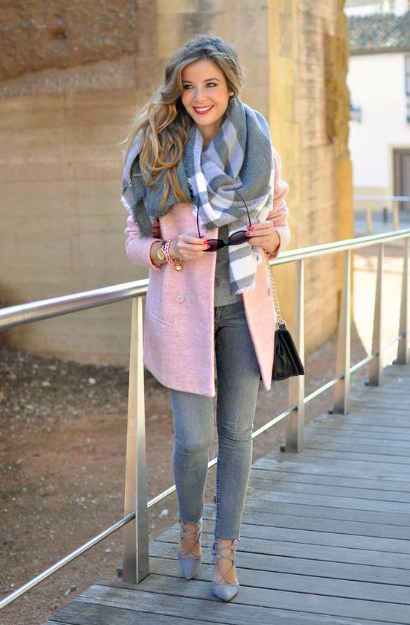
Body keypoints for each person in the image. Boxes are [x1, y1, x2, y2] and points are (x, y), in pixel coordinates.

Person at [121, 34, 290, 602]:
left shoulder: (258, 141)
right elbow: (133, 237)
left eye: (211, 84)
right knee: (193, 441)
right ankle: (189, 529)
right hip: (181, 313)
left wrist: (274, 239)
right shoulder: (157, 147)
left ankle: (225, 549)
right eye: (189, 86)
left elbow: (281, 217)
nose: (199, 97)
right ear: (177, 89)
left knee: (237, 435)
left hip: (244, 308)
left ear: (230, 86)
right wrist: (166, 251)